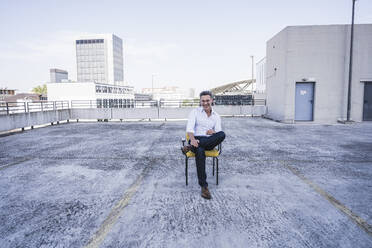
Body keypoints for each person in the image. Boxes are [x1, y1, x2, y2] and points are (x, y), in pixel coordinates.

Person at [181, 90, 225, 199]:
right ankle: (204, 187)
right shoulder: (194, 112)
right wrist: (193, 140)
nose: (205, 103)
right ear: (200, 101)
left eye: (207, 100)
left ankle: (189, 147)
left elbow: (218, 133)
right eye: (203, 101)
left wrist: (213, 132)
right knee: (200, 151)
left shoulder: (216, 116)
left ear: (212, 100)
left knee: (222, 134)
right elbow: (189, 129)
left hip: (209, 141)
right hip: (195, 139)